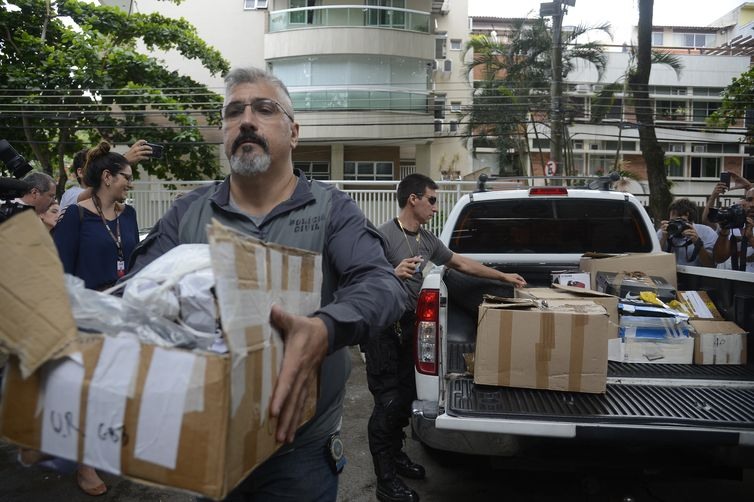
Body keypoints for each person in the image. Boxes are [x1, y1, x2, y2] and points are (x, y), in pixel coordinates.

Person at [126, 66, 406, 501]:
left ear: (293, 132)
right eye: (234, 112)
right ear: (224, 133)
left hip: (301, 452)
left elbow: (381, 284)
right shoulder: (188, 214)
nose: (247, 120)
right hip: (209, 437)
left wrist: (325, 328)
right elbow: (133, 296)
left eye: (264, 108)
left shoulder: (333, 210)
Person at [367, 173, 527, 502]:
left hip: (409, 329)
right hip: (382, 330)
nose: (435, 207)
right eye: (432, 200)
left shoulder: (427, 240)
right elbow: (356, 277)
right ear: (413, 199)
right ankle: (385, 481)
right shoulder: (381, 236)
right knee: (387, 403)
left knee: (406, 398)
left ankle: (396, 457)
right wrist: (391, 272)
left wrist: (501, 275)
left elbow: (461, 264)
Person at [53, 141, 140, 291]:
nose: (131, 184)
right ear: (107, 177)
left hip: (124, 306)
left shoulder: (129, 214)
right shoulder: (75, 214)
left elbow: (136, 264)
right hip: (88, 308)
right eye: (127, 178)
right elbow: (62, 272)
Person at [61, 140, 152, 211]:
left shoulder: (125, 212)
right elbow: (93, 192)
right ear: (80, 172)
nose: (99, 168)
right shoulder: (70, 195)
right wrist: (122, 161)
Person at [657, 198, 718, 268]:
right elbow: (653, 260)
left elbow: (710, 265)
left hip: (696, 276)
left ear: (691, 221)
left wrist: (697, 242)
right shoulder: (664, 232)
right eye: (673, 221)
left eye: (680, 221)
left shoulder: (706, 232)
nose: (677, 225)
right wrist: (663, 239)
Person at [712, 186, 754, 272]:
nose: (752, 204)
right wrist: (724, 231)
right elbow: (719, 258)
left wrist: (750, 238)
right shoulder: (733, 225)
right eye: (749, 200)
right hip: (730, 281)